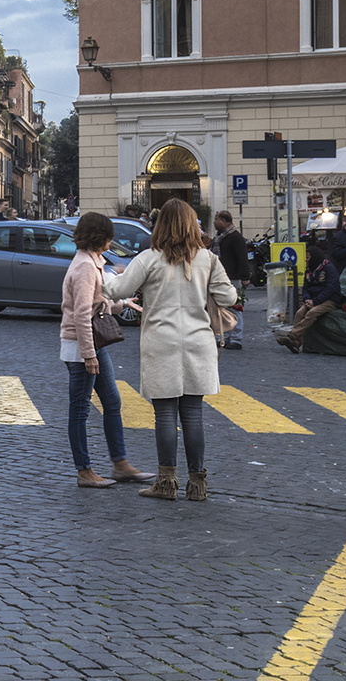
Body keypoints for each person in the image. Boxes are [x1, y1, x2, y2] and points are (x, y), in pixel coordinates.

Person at [103, 198, 237, 501]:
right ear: (193, 225)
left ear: (160, 225)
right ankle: (197, 484)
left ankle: (166, 483)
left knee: (164, 414)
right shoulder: (207, 259)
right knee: (193, 413)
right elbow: (228, 296)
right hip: (198, 341)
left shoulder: (149, 258)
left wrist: (102, 274)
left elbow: (119, 290)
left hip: (161, 341)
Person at [61, 212, 150, 489]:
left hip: (92, 344)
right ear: (100, 238)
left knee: (112, 402)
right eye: (110, 237)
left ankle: (120, 464)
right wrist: (88, 355)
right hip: (81, 347)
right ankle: (84, 470)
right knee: (80, 410)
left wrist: (123, 305)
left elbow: (96, 305)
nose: (113, 242)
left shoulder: (92, 262)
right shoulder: (85, 267)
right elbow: (81, 314)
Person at [279, 253, 344, 353]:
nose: (306, 261)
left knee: (312, 313)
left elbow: (331, 288)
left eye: (308, 258)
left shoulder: (329, 269)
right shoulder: (309, 271)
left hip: (329, 300)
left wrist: (315, 301)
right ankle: (296, 343)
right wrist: (307, 299)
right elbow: (305, 288)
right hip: (313, 300)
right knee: (300, 313)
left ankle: (292, 335)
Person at [212, 211, 249, 350]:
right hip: (221, 277)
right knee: (222, 308)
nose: (214, 222)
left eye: (216, 219)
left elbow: (242, 258)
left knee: (235, 308)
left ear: (223, 220)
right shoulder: (219, 237)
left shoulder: (235, 238)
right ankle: (225, 336)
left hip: (233, 277)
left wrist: (245, 277)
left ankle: (236, 338)